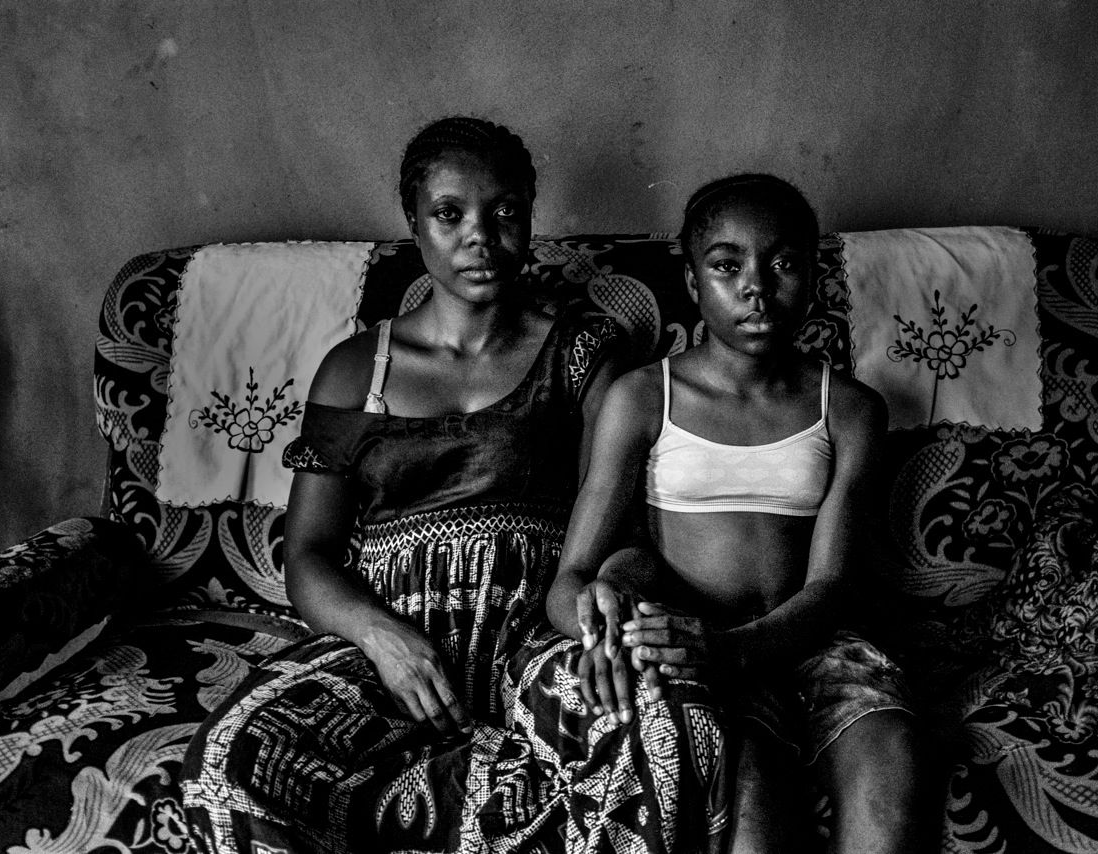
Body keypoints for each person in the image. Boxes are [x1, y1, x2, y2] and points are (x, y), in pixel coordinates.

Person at [180, 117, 728, 854]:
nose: (480, 236)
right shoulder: (355, 369)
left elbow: (627, 533)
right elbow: (306, 555)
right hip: (394, 647)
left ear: (528, 219)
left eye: (505, 213)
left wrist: (610, 597)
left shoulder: (584, 353)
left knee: (665, 723)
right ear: (413, 221)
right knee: (234, 756)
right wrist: (381, 639)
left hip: (536, 639)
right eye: (449, 214)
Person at [546, 174, 927, 853]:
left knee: (891, 755)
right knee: (747, 807)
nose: (756, 287)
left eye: (783, 263)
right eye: (727, 266)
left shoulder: (849, 408)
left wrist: (738, 649)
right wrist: (602, 631)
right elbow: (570, 579)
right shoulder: (643, 398)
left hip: (813, 642)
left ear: (812, 278)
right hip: (696, 649)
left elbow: (831, 585)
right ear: (693, 283)